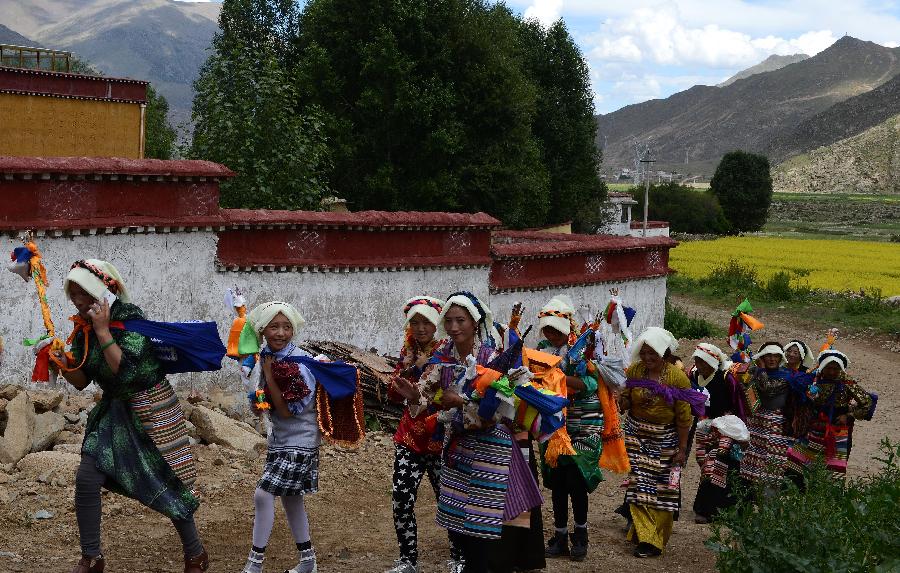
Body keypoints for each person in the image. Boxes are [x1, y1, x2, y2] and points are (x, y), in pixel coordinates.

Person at [54, 259, 207, 573]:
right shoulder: (83, 330)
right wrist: (62, 363)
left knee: (164, 479)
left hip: (149, 409)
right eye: (73, 293)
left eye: (83, 292)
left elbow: (126, 371)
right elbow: (83, 380)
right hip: (114, 412)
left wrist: (102, 330)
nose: (78, 300)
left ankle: (196, 554)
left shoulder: (130, 320)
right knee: (86, 477)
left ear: (102, 290)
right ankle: (92, 558)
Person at [392, 292, 539, 573]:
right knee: (461, 524)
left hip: (489, 451)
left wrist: (460, 402)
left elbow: (502, 408)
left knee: (484, 527)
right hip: (457, 450)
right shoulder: (442, 357)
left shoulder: (493, 358)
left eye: (460, 320)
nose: (454, 327)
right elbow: (426, 395)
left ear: (475, 323)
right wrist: (413, 396)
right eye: (449, 321)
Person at [238, 302, 320, 573]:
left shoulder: (299, 363)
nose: (281, 333)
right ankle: (308, 562)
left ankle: (254, 564)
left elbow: (285, 412)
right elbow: (265, 402)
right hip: (281, 441)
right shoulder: (266, 357)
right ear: (262, 330)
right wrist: (258, 400)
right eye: (274, 326)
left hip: (301, 441)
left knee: (263, 495)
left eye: (287, 327)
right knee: (291, 498)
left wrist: (270, 378)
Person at [384, 296, 461, 573]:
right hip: (409, 438)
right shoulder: (407, 352)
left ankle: (459, 557)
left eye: (426, 322)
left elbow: (445, 394)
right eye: (414, 322)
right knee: (402, 497)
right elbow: (394, 394)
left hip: (439, 436)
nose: (420, 328)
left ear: (436, 324)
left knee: (447, 498)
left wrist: (420, 368)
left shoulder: (446, 353)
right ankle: (407, 560)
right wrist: (407, 368)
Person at [619, 327, 705, 558]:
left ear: (664, 354)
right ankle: (646, 538)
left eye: (653, 354)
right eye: (644, 353)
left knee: (663, 491)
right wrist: (623, 400)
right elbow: (624, 402)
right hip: (636, 435)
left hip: (666, 438)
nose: (647, 358)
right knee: (638, 487)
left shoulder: (677, 378)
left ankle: (655, 537)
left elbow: (684, 417)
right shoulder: (636, 371)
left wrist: (682, 448)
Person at [537, 296, 604, 563]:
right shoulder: (543, 349)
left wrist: (558, 378)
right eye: (547, 330)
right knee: (558, 481)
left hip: (584, 420)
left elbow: (589, 384)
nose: (551, 335)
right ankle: (560, 536)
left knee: (576, 477)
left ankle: (581, 535)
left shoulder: (581, 348)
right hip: (555, 419)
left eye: (555, 330)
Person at [786, 349, 875, 477]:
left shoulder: (846, 381)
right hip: (813, 427)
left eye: (836, 368)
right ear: (823, 367)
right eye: (829, 368)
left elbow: (867, 402)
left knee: (833, 467)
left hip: (837, 429)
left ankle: (828, 494)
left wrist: (849, 415)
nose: (832, 372)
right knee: (801, 465)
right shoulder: (814, 379)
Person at [689, 343, 749, 523]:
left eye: (702, 360)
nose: (699, 364)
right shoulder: (692, 376)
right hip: (702, 426)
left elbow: (738, 405)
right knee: (704, 461)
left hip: (725, 427)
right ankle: (717, 507)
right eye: (697, 360)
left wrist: (741, 432)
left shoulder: (725, 378)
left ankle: (708, 509)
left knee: (718, 461)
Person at [737, 342, 801, 494]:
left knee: (773, 465)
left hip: (776, 426)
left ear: (780, 359)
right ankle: (748, 502)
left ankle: (769, 507)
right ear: (762, 357)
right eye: (768, 356)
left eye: (776, 356)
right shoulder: (755, 372)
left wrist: (760, 370)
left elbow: (768, 389)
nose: (772, 359)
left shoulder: (786, 377)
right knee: (751, 463)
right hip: (756, 423)